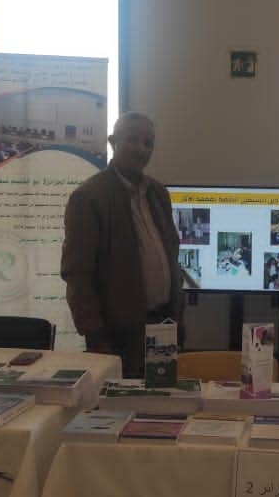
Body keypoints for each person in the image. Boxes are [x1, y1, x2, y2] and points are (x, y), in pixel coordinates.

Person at [61, 112, 184, 378]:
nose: (141, 149)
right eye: (132, 140)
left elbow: (171, 256)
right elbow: (77, 274)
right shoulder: (89, 197)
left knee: (162, 398)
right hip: (116, 336)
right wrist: (95, 337)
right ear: (113, 142)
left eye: (148, 143)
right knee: (122, 401)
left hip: (163, 327)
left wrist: (178, 319)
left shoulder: (158, 194)